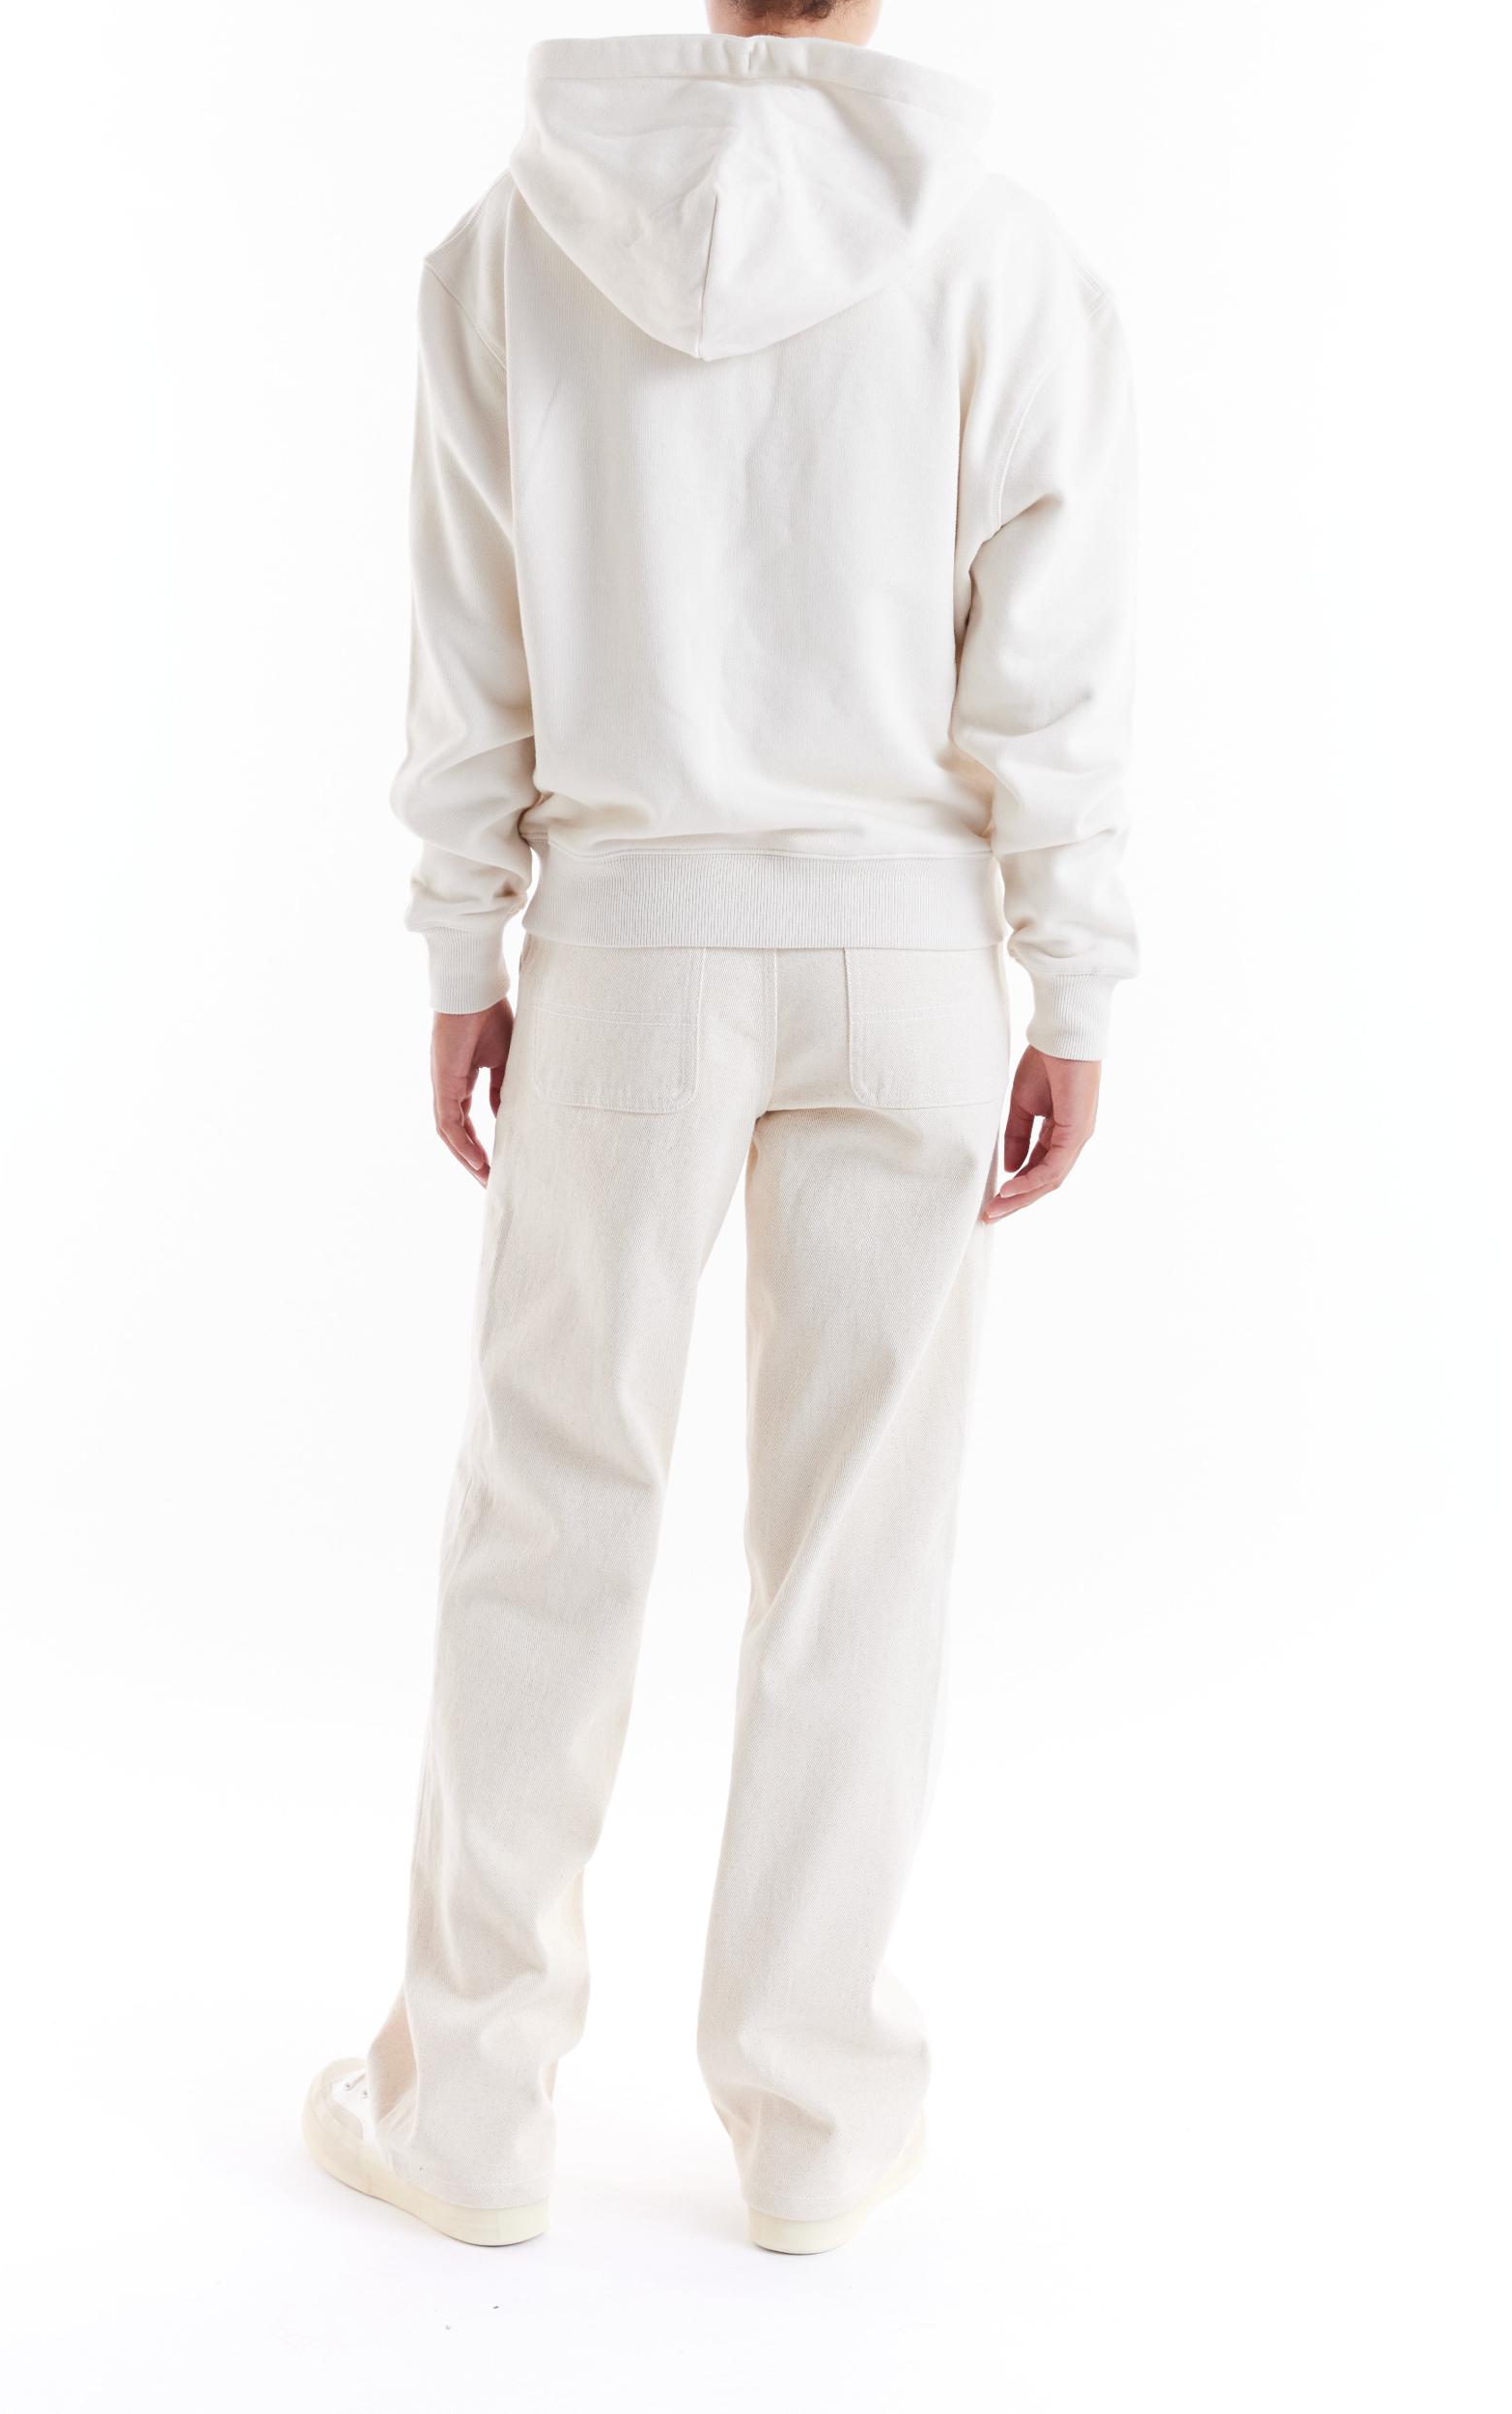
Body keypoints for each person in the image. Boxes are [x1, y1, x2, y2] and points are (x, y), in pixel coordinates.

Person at [304, 0, 1136, 2256]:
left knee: (548, 1509)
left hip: (627, 942)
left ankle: (471, 2101)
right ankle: (816, 2119)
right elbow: (1049, 667)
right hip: (908, 950)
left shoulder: (510, 243)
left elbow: (465, 651)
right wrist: (1071, 973)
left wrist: (464, 947)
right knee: (860, 1546)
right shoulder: (1002, 250)